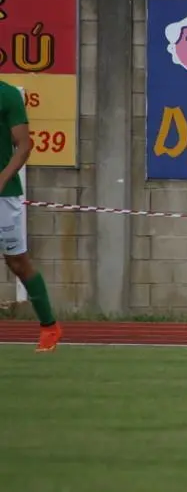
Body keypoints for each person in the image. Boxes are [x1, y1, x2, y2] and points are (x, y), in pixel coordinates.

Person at [0, 82, 60, 352]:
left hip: (4, 196)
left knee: (17, 262)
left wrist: (2, 179)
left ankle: (50, 327)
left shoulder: (7, 95)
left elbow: (24, 145)